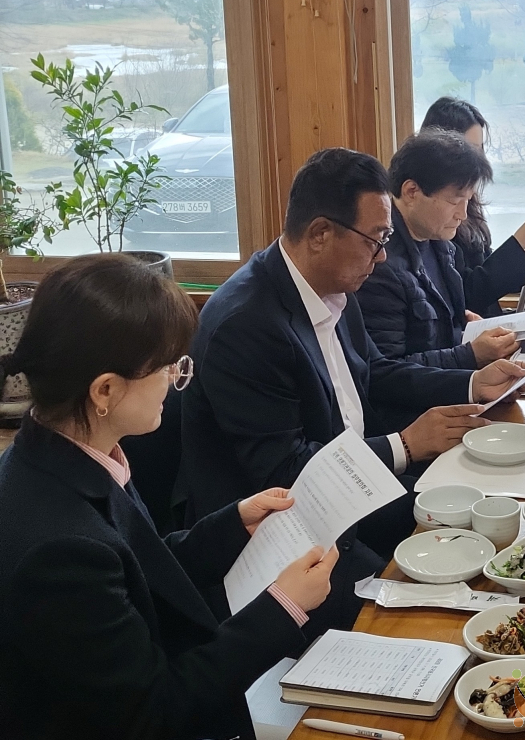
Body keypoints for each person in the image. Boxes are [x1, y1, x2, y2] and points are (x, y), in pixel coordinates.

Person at [181, 147, 525, 632]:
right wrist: (404, 445)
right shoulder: (248, 324)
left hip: (353, 500)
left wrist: (470, 381)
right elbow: (286, 471)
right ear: (321, 233)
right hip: (287, 539)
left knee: (491, 528)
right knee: (440, 619)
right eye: (376, 239)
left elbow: (377, 371)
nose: (383, 255)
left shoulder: (334, 283)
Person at [0, 254, 339, 739]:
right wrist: (283, 607)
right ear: (106, 390)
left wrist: (233, 525)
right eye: (167, 367)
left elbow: (137, 569)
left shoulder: (72, 450)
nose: (177, 380)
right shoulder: (57, 551)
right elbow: (155, 710)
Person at [358, 130, 519, 368]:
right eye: (454, 202)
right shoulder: (380, 263)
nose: (462, 215)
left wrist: (468, 333)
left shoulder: (440, 242)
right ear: (411, 191)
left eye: (468, 201)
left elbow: (438, 338)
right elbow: (386, 371)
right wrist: (470, 354)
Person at [421, 96, 525, 316]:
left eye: (480, 149)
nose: (478, 159)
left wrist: (523, 254)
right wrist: (516, 245)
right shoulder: (436, 216)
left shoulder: (469, 202)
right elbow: (466, 294)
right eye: (470, 149)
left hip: (487, 320)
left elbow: (481, 262)